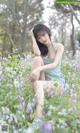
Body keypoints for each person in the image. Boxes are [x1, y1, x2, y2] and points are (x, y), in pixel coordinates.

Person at [30, 24, 66, 119]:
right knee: (37, 59)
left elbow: (54, 64)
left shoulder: (59, 46)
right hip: (44, 82)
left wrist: (38, 69)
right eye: (39, 37)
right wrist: (32, 37)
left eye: (43, 34)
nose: (42, 38)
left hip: (57, 84)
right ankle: (38, 108)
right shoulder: (42, 51)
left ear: (48, 33)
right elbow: (37, 54)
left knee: (37, 83)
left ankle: (38, 117)